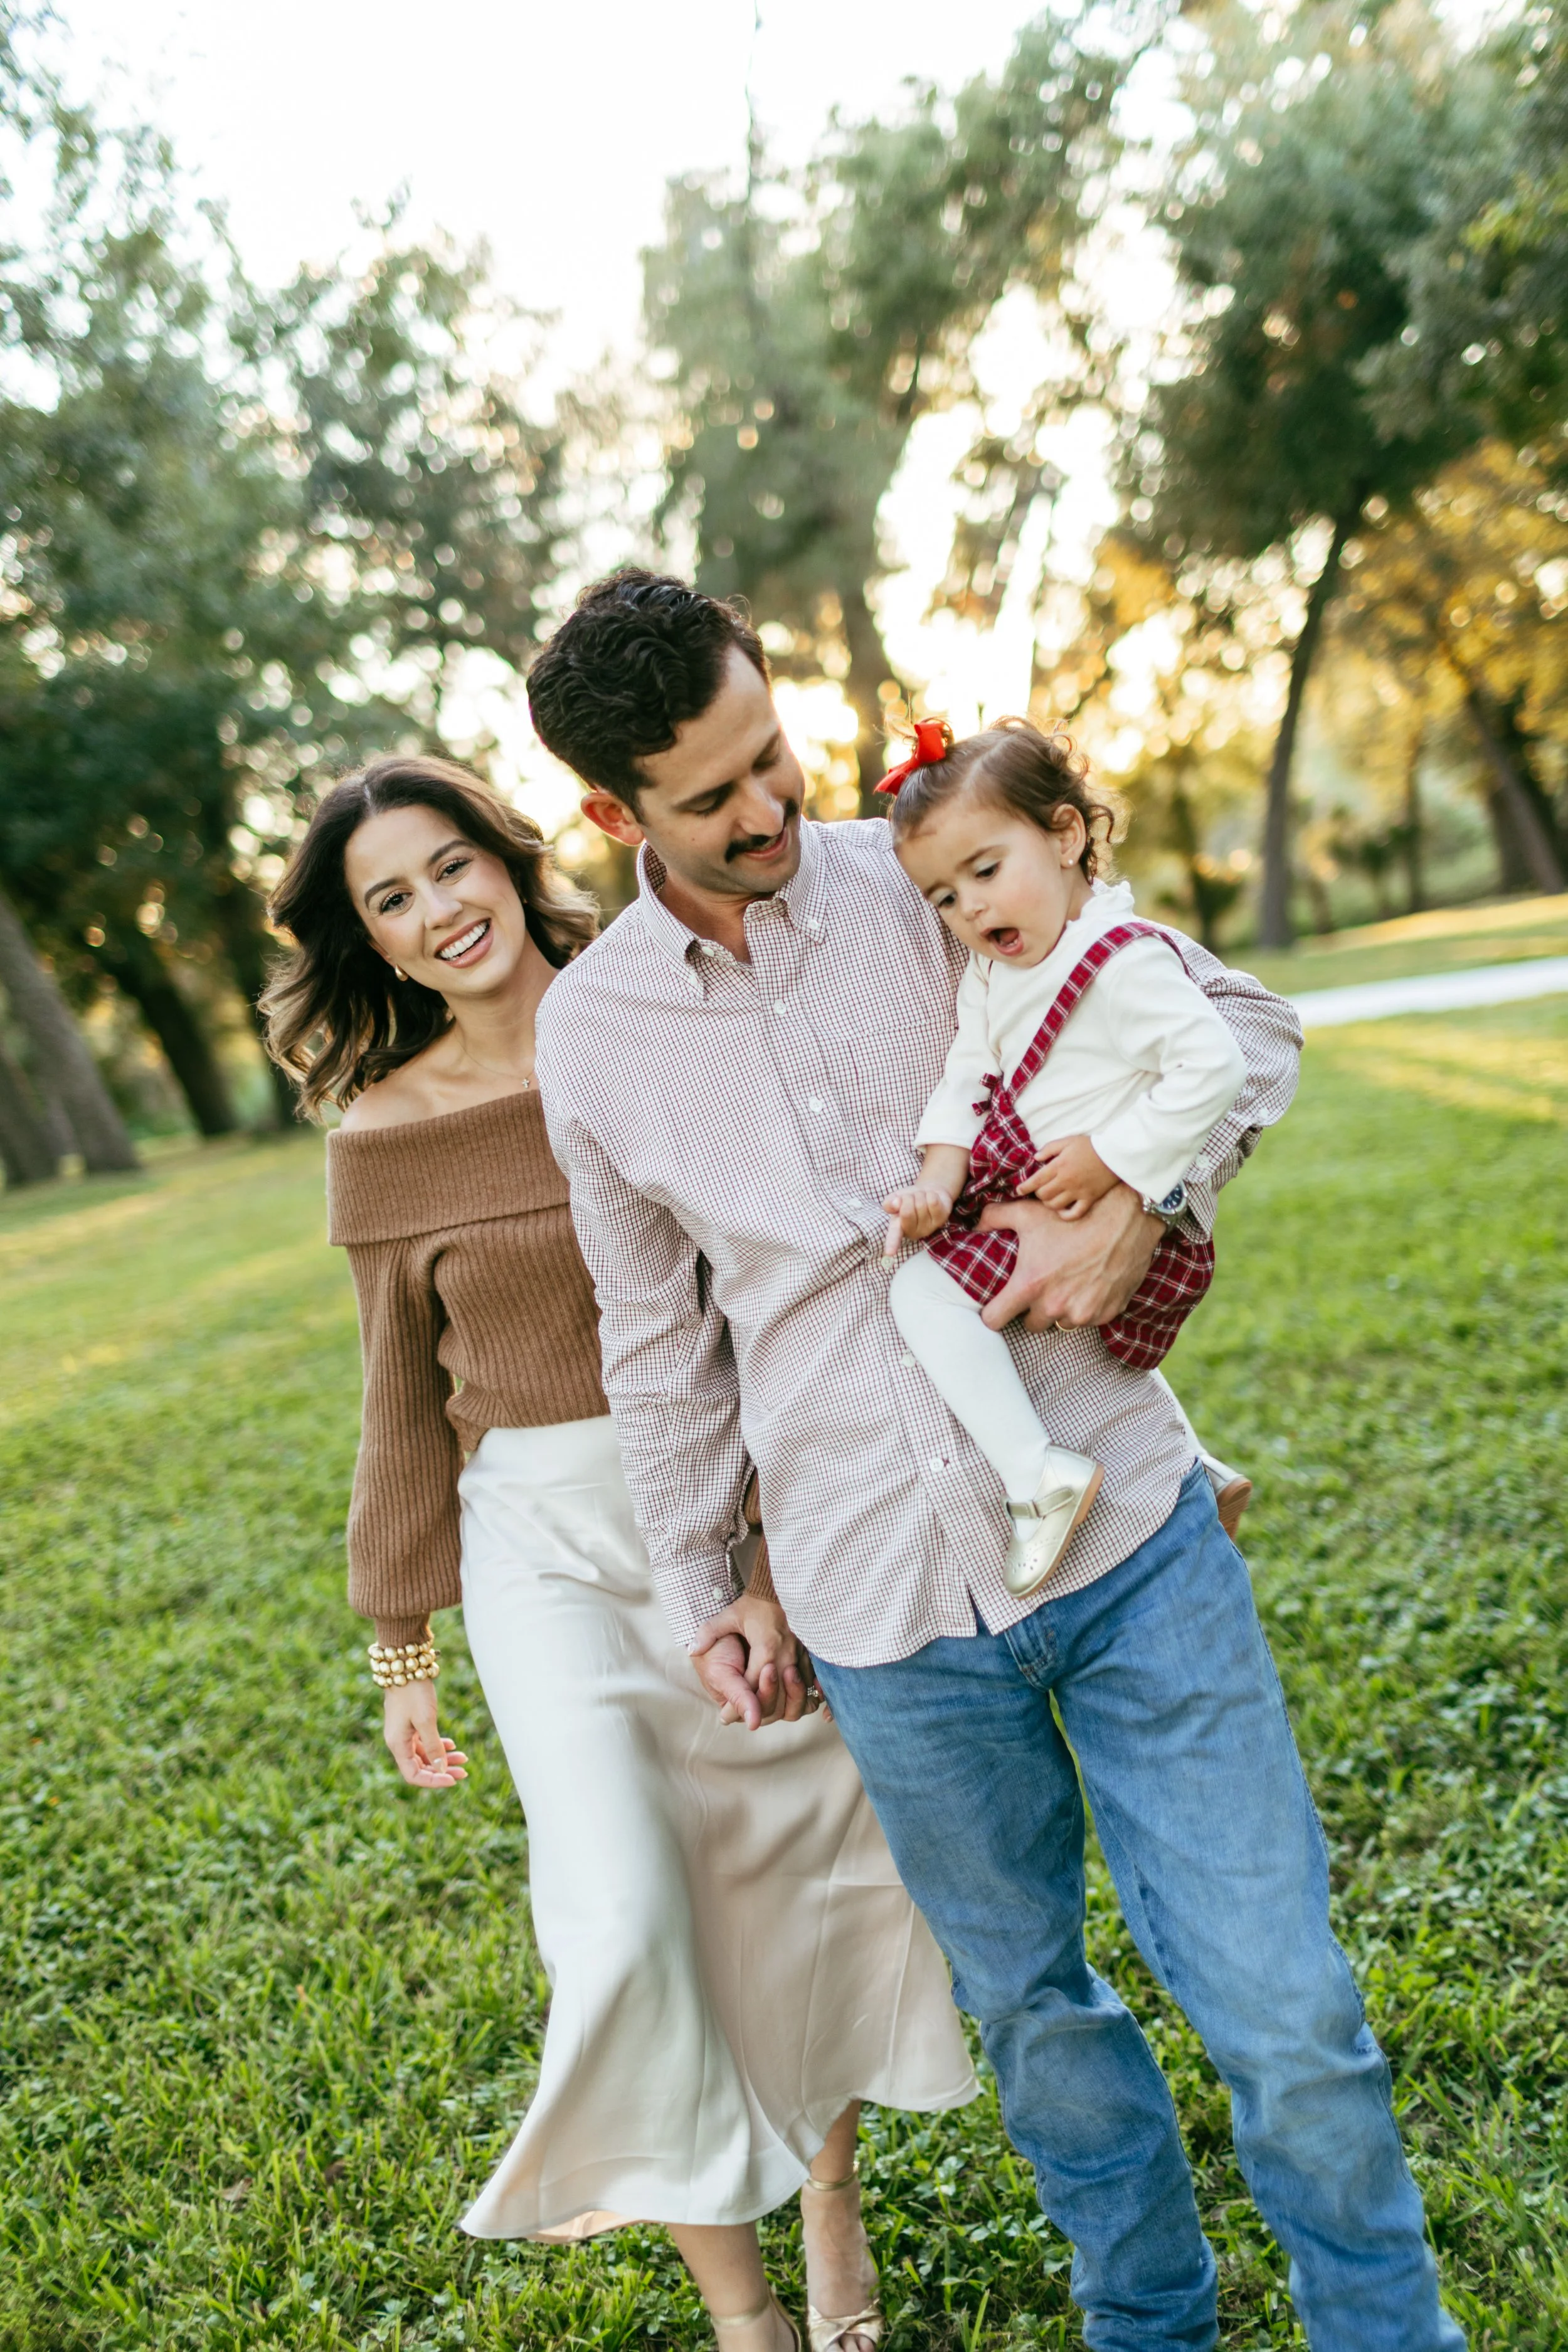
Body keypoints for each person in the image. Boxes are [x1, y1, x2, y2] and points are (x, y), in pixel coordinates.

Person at [524, 568, 1466, 2352]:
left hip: (1120, 1530)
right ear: (609, 812)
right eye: (711, 796)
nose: (768, 809)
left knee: (1279, 2007)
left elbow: (1240, 1027)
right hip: (881, 1603)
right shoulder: (592, 1038)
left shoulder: (940, 871)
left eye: (771, 754)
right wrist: (704, 1583)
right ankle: (1148, 2329)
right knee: (1038, 2021)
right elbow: (655, 1342)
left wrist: (1147, 1198)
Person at [261, 753, 977, 2352]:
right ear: (368, 941)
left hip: (742, 1518)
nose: (437, 909)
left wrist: (779, 1556)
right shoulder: (379, 1137)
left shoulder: (654, 1015)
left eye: (450, 866)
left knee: (789, 1881)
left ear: (505, 860)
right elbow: (400, 1408)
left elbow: (765, 1294)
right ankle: (747, 2322)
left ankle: (830, 2204)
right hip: (546, 1557)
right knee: (630, 1917)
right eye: (391, 898)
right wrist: (398, 1641)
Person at [877, 716, 1248, 1594]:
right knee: (1050, 1343)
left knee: (920, 1292)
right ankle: (1195, 1465)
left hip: (1098, 1201)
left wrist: (1115, 1161)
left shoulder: (1122, 961)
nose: (969, 907)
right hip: (1031, 1189)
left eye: (985, 870)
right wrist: (936, 1181)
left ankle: (1036, 1474)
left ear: (1068, 835)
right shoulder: (995, 975)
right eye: (942, 897)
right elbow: (966, 1076)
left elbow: (1217, 1063)